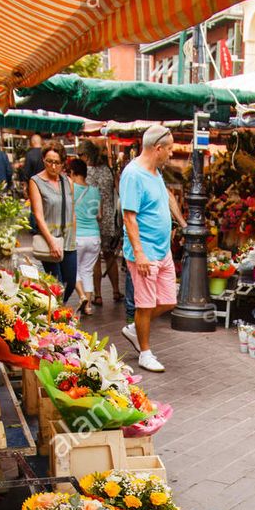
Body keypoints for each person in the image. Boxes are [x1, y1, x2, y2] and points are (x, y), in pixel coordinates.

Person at [120, 125, 186, 373]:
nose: (171, 153)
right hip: (145, 251)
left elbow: (166, 197)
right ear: (157, 148)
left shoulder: (155, 172)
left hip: (162, 249)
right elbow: (129, 217)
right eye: (169, 149)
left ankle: (135, 327)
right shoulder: (133, 174)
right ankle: (145, 352)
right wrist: (139, 253)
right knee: (145, 305)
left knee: (169, 300)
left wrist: (182, 223)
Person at [28, 142, 77, 304]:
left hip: (69, 240)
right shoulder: (36, 182)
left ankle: (57, 313)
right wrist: (51, 242)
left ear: (63, 163)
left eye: (57, 162)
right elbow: (38, 215)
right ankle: (56, 319)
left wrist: (76, 236)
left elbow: (72, 210)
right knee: (56, 285)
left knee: (69, 284)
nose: (53, 166)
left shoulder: (67, 181)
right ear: (43, 160)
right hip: (51, 240)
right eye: (49, 161)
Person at [84, 142, 123, 306]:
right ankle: (116, 291)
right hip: (110, 219)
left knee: (94, 258)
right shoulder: (109, 170)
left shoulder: (89, 172)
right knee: (109, 255)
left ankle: (98, 295)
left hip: (94, 218)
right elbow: (118, 190)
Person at [67, 158, 101, 314]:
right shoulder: (94, 190)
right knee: (87, 271)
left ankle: (82, 296)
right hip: (94, 236)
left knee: (73, 270)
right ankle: (88, 307)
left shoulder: (71, 188)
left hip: (77, 236)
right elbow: (99, 215)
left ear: (72, 173)